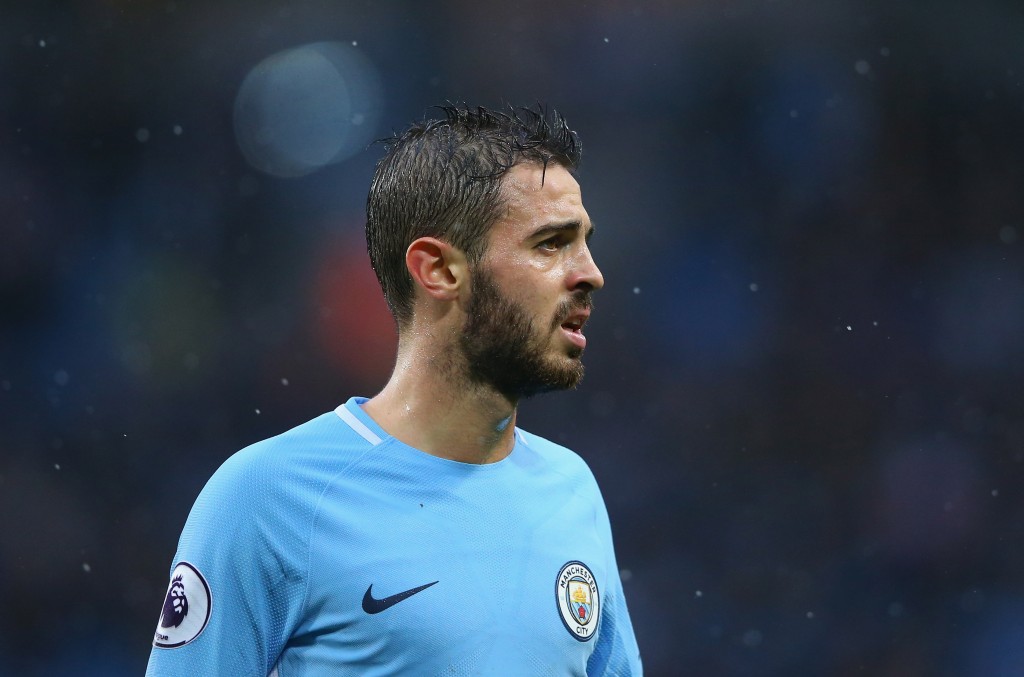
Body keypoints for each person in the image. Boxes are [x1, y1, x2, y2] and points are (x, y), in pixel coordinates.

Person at [145, 104, 642, 675]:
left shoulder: (572, 490)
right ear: (439, 270)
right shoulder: (267, 498)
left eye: (584, 242)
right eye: (551, 244)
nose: (591, 272)